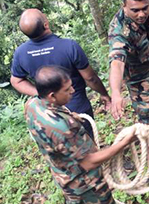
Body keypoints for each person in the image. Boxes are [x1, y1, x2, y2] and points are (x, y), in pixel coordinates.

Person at [25, 66, 149, 204]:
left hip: (64, 176)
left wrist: (68, 114)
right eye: (67, 89)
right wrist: (124, 142)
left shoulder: (33, 105)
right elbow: (90, 161)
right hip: (85, 181)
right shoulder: (62, 128)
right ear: (52, 95)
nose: (73, 91)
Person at [11, 9, 110, 138]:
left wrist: (42, 93)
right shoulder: (69, 46)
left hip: (49, 113)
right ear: (46, 24)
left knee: (63, 150)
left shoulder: (20, 53)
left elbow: (16, 81)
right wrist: (104, 94)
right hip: (77, 108)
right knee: (88, 146)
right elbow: (90, 78)